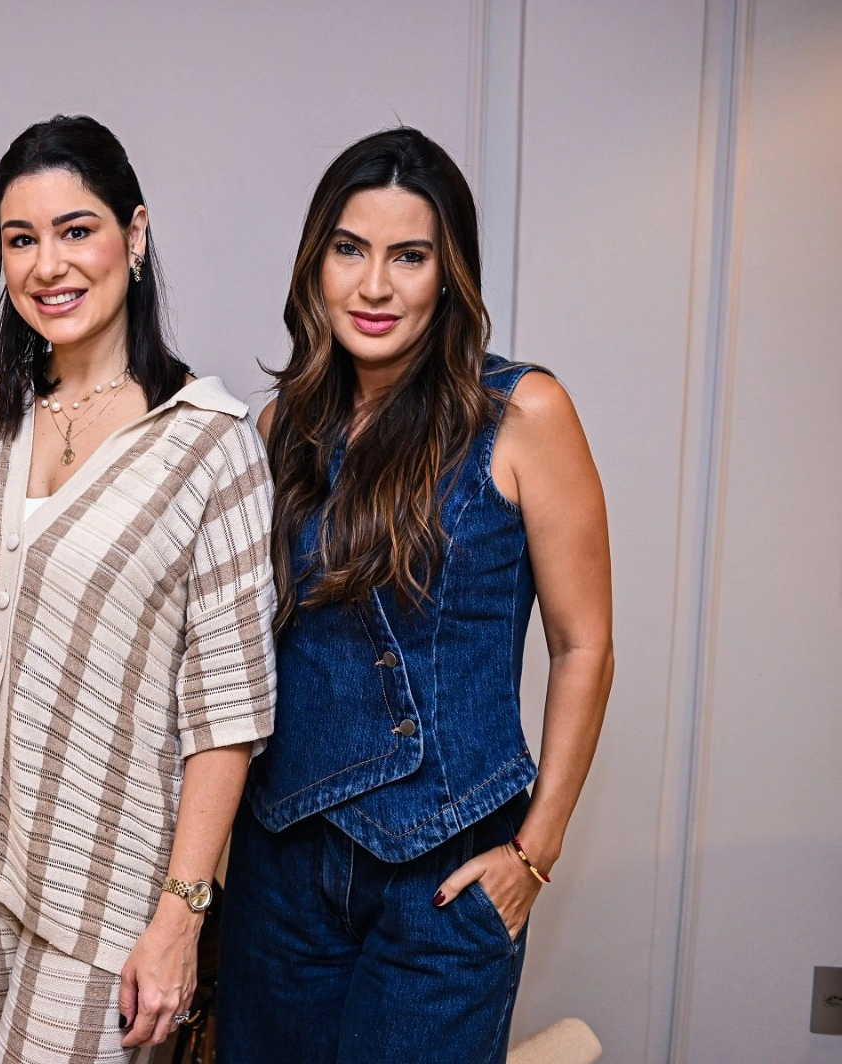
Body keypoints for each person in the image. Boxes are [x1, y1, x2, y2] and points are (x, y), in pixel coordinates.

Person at [0, 115, 277, 1063]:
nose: (48, 264)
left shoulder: (211, 443)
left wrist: (181, 916)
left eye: (76, 230)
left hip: (103, 881)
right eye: (20, 238)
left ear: (136, 234)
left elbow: (228, 709)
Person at [217, 127, 615, 1063]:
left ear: (450, 274)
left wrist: (535, 855)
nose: (375, 285)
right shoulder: (281, 427)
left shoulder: (524, 413)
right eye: (350, 250)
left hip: (447, 874)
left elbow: (584, 645)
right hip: (280, 869)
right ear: (317, 264)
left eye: (410, 255)